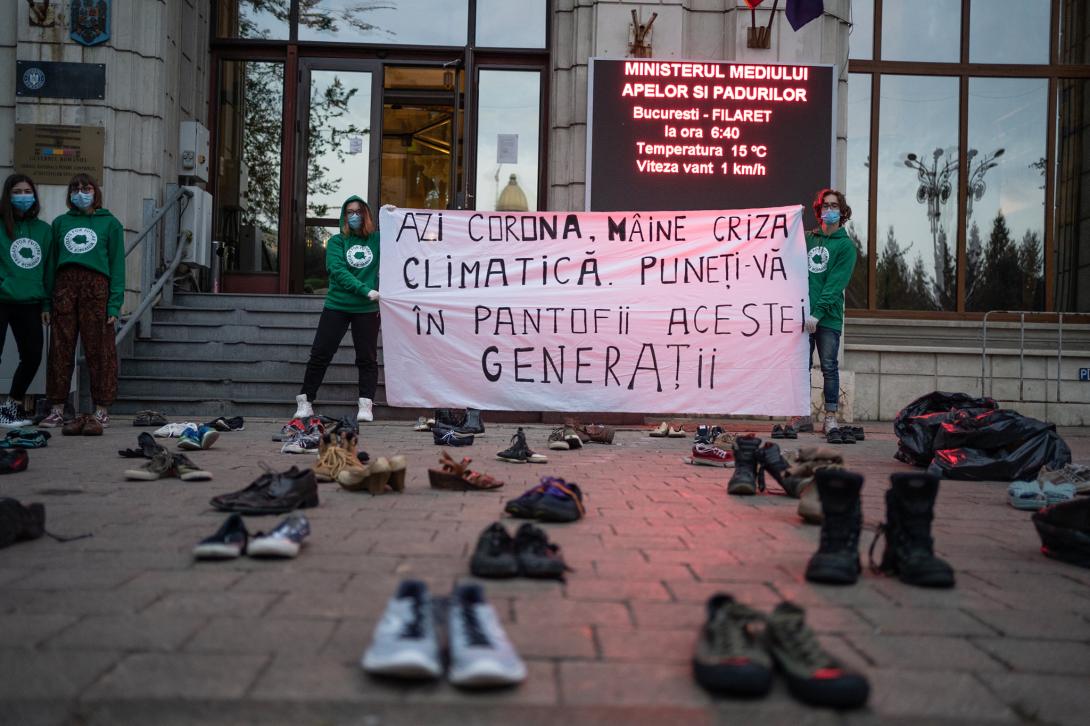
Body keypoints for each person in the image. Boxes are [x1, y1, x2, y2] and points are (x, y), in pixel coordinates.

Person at [39, 173, 124, 428]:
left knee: (101, 349)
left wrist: (114, 303)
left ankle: (101, 408)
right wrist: (46, 302)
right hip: (65, 287)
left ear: (95, 192)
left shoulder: (111, 224)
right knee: (60, 348)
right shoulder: (60, 223)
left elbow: (117, 266)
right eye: (75, 188)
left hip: (97, 288)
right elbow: (50, 265)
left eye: (85, 187)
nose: (80, 192)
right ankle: (56, 408)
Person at [293, 195, 380, 423]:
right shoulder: (336, 242)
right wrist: (365, 290)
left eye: (358, 212)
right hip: (338, 305)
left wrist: (393, 217)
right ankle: (306, 402)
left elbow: (405, 243)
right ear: (344, 216)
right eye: (349, 212)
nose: (354, 216)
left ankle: (366, 404)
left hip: (366, 309)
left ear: (366, 215)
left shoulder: (378, 240)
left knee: (367, 358)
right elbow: (338, 271)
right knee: (321, 353)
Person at [0, 174, 53, 427]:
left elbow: (48, 269)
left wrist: (46, 304)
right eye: (17, 192)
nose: (23, 196)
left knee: (32, 355)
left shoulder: (44, 230)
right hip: (1, 299)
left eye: (27, 191)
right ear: (8, 196)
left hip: (31, 302)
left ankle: (12, 406)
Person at [803, 188, 857, 434]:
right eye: (825, 206)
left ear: (842, 212)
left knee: (829, 367)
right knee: (800, 367)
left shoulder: (846, 246)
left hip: (828, 318)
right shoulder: (808, 239)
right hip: (803, 316)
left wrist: (819, 312)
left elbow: (835, 284)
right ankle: (802, 415)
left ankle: (830, 417)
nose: (829, 210)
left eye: (834, 206)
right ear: (819, 210)